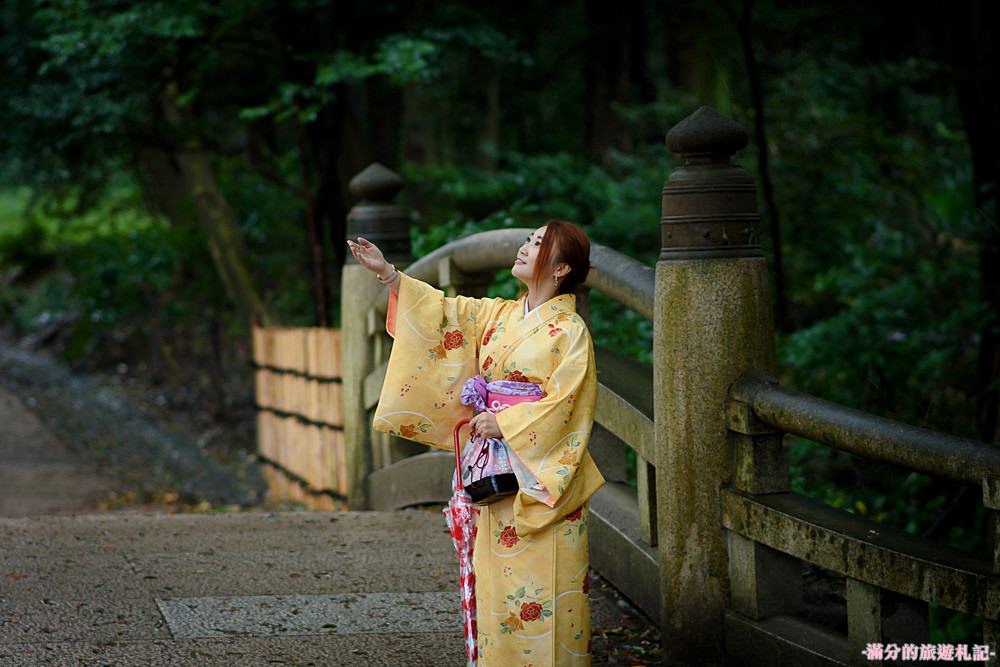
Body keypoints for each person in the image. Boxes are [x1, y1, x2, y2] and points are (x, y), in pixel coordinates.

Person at [348, 221, 605, 666]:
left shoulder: (569, 331)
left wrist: (507, 423)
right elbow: (443, 313)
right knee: (497, 595)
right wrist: (389, 274)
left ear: (562, 268)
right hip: (493, 471)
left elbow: (570, 401)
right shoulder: (500, 315)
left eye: (539, 244)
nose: (526, 246)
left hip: (539, 478)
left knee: (546, 593)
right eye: (529, 239)